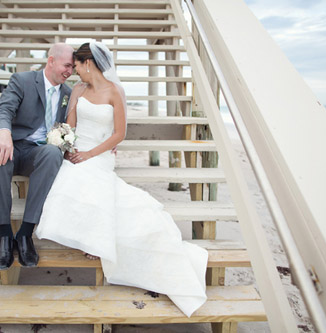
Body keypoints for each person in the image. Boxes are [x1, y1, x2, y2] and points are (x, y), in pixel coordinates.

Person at [35, 42, 208, 317]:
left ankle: (95, 241)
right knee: (70, 176)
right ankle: (84, 236)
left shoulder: (115, 91)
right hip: (79, 149)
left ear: (87, 63)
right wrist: (68, 146)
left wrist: (91, 153)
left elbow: (119, 134)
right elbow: (70, 125)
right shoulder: (78, 90)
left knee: (93, 179)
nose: (74, 70)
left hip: (100, 152)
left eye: (76, 65)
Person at [0, 43, 74, 270]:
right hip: (13, 145)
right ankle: (5, 235)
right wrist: (3, 132)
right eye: (67, 65)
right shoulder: (23, 80)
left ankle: (26, 233)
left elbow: (75, 124)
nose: (70, 71)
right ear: (51, 61)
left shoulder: (69, 93)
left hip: (37, 153)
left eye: (73, 67)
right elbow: (3, 109)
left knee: (52, 152)